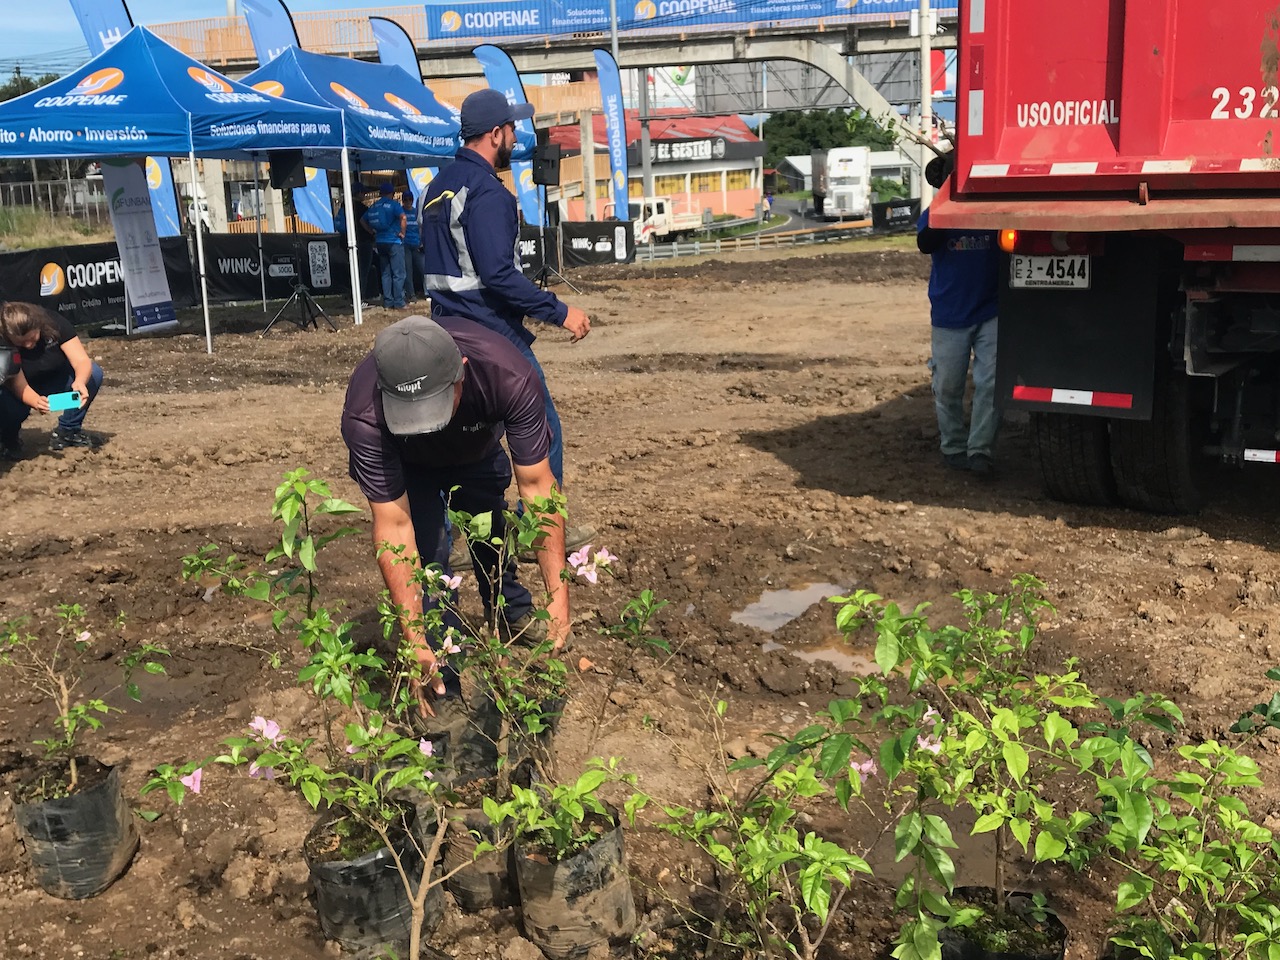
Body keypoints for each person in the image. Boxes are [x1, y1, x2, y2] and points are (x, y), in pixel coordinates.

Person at [340, 314, 570, 713]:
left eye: (435, 406)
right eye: (411, 413)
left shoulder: (507, 375)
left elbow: (537, 488)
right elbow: (394, 527)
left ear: (461, 373)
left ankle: (510, 610)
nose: (426, 427)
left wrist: (559, 594)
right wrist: (413, 640)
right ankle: (440, 678)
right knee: (428, 555)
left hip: (475, 449)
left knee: (490, 533)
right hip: (408, 468)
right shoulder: (365, 415)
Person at [419, 89, 593, 547]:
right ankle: (538, 531)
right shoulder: (489, 194)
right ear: (496, 134)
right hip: (491, 336)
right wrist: (560, 311)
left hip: (443, 335)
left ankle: (448, 538)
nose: (517, 136)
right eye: (513, 129)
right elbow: (497, 275)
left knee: (459, 441)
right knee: (544, 430)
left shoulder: (435, 189)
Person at [916, 155, 1000, 477]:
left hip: (991, 309)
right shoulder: (934, 215)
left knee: (990, 383)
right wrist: (947, 209)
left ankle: (980, 450)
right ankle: (952, 446)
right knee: (948, 385)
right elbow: (925, 243)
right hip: (950, 315)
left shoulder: (988, 211)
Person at [0, 302, 105, 459]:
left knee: (94, 375)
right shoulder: (3, 339)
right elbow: (16, 383)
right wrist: (35, 401)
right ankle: (8, 440)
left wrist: (80, 382)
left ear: (39, 327)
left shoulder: (54, 322)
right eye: (21, 343)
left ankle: (68, 431)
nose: (28, 345)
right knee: (9, 405)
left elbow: (82, 361)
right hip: (20, 388)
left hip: (55, 378)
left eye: (32, 338)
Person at [362, 182, 406, 310]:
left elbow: (362, 220)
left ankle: (387, 301)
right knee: (398, 273)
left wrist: (372, 232)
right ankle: (398, 302)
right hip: (394, 241)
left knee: (385, 273)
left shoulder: (374, 206)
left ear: (380, 193)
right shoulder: (394, 205)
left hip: (380, 242)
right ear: (392, 193)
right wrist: (402, 233)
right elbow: (403, 217)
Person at [401, 192, 423, 305]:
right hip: (405, 245)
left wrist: (422, 242)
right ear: (403, 200)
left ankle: (427, 292)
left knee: (423, 268)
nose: (408, 202)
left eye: (410, 199)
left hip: (417, 245)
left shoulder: (416, 212)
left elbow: (421, 227)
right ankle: (411, 294)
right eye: (406, 199)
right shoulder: (400, 212)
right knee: (408, 271)